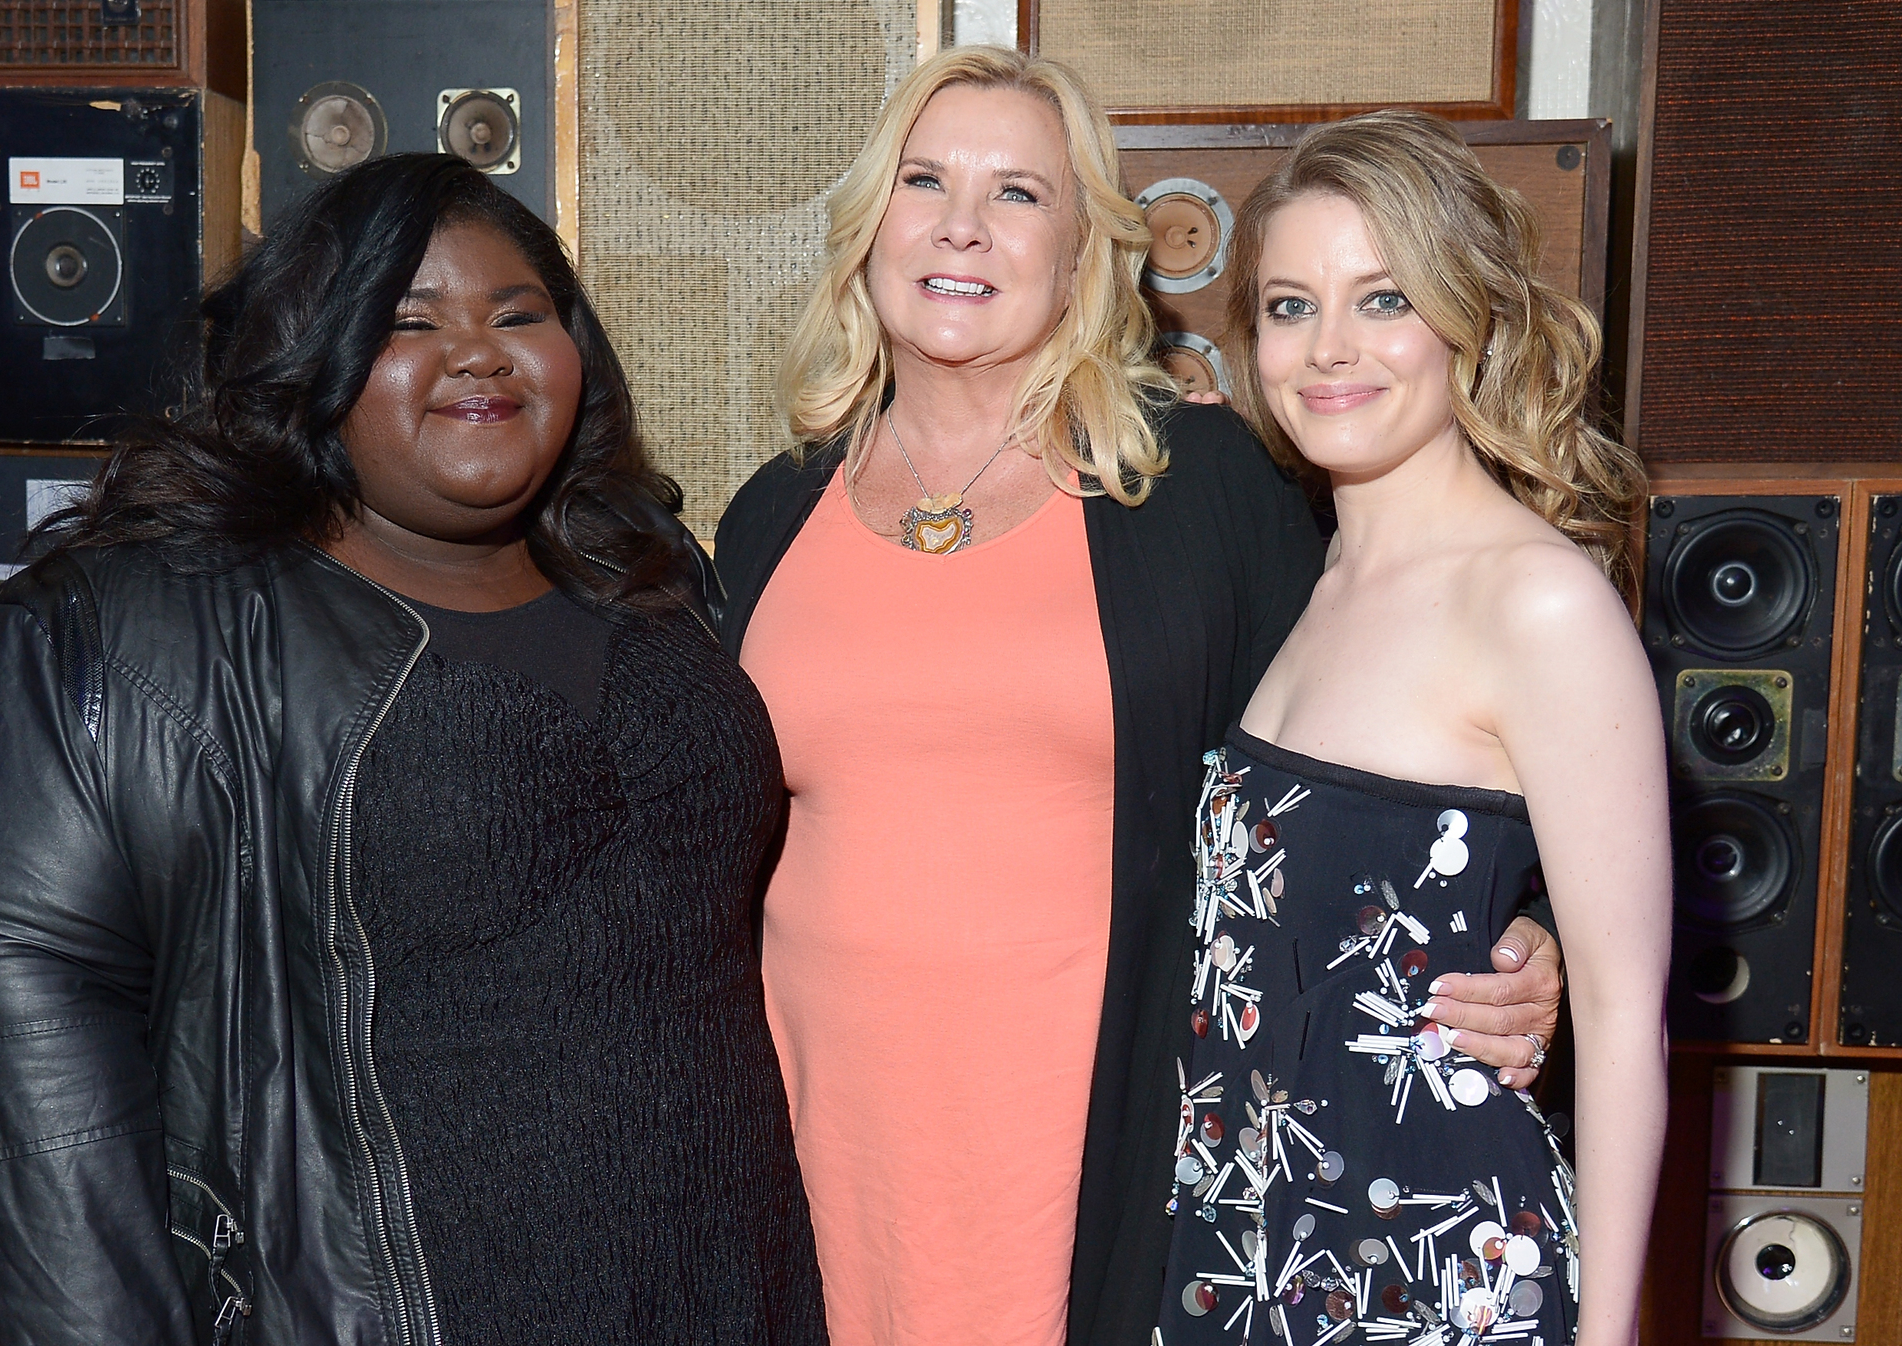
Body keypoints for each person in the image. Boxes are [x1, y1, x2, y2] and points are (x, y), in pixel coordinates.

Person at [0, 154, 825, 1346]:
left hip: (738, 1292)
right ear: (309, 361)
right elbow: (24, 1057)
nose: (476, 351)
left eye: (518, 315)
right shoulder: (125, 634)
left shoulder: (652, 576)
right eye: (407, 321)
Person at [713, 47, 1569, 1346]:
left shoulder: (1201, 490)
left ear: (1084, 252)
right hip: (824, 1145)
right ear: (870, 222)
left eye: (1018, 194)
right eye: (924, 179)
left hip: (1110, 1155)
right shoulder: (773, 513)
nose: (960, 224)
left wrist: (1526, 922)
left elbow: (1399, 722)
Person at [1154, 111, 1668, 1345]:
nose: (1328, 348)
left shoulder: (1534, 599)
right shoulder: (1309, 581)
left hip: (1438, 1276)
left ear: (1466, 320)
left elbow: (1621, 1011)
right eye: (1288, 306)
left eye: (1382, 299)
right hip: (1248, 1246)